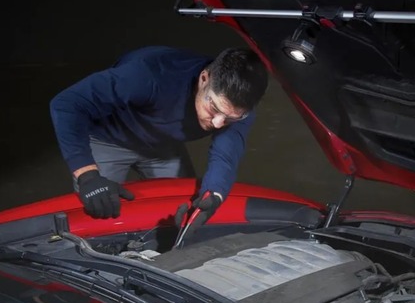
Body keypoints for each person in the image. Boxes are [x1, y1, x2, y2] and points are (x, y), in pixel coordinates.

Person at [49, 45, 268, 220]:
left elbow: (225, 155)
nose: (219, 123)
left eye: (230, 117)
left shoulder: (239, 107)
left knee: (184, 208)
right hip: (109, 139)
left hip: (164, 146)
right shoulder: (147, 74)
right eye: (215, 109)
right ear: (204, 78)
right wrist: (87, 176)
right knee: (99, 208)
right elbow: (68, 104)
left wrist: (215, 196)